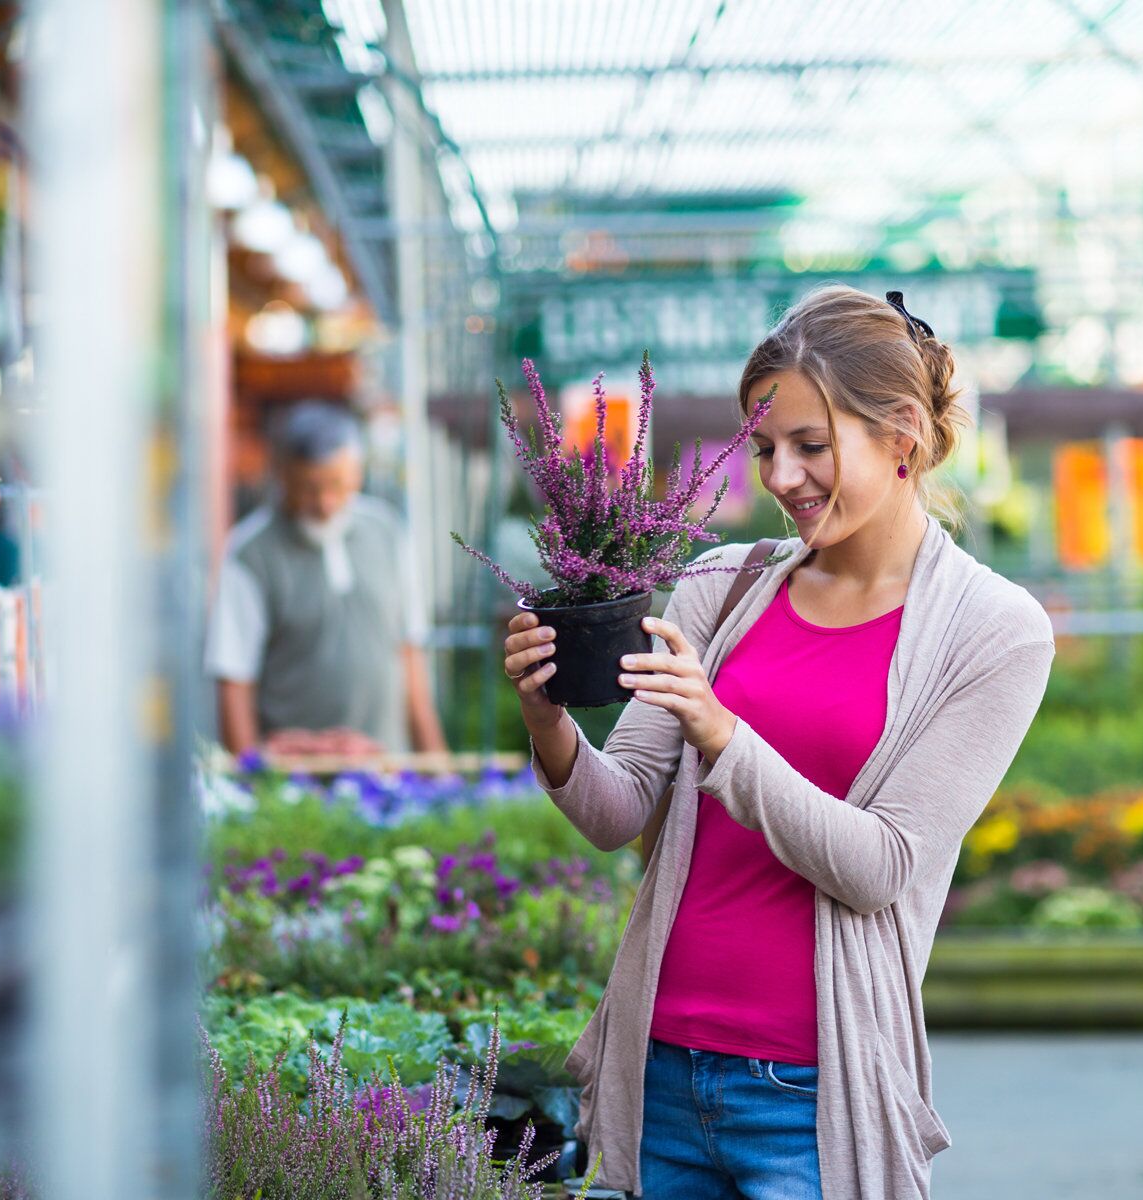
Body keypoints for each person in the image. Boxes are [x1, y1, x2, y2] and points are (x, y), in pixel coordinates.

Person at [502, 286, 1054, 1199]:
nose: (781, 478)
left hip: (811, 1096)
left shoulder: (993, 630)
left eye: (811, 445)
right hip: (660, 1066)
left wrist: (721, 732)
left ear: (903, 434)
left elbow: (882, 866)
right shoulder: (723, 584)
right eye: (764, 449)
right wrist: (546, 715)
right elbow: (618, 809)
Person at [206, 401, 447, 758]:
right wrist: (250, 776)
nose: (324, 502)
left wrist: (434, 759)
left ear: (357, 473)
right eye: (309, 488)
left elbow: (409, 650)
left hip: (386, 773)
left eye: (336, 484)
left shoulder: (387, 532)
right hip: (292, 781)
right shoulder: (249, 553)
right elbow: (233, 677)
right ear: (282, 476)